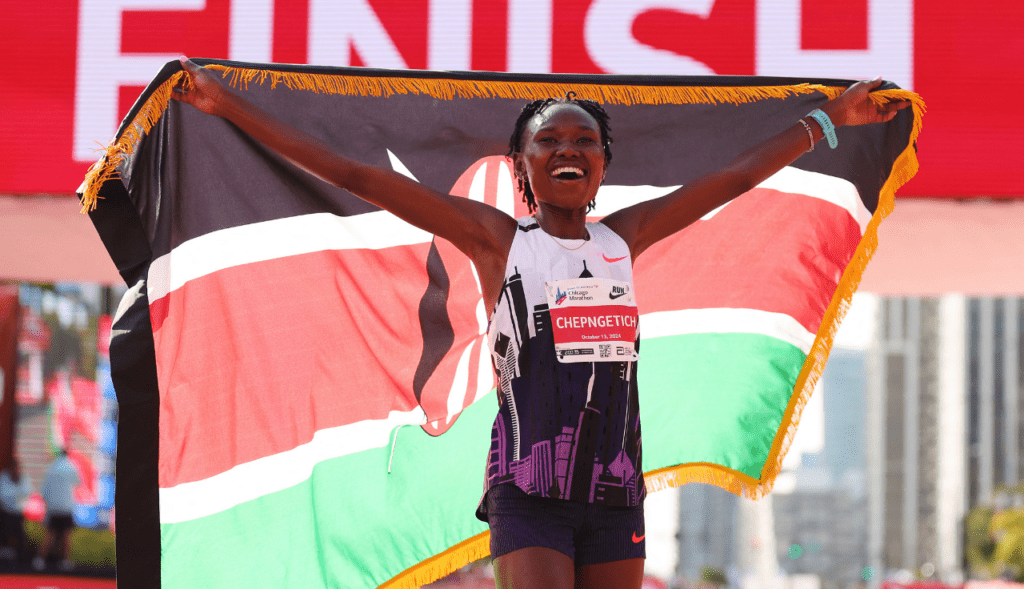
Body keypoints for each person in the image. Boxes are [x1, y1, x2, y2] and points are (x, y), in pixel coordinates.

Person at [172, 57, 907, 589]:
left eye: (584, 141)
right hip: (531, 493)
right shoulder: (500, 241)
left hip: (617, 490)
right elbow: (363, 178)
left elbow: (734, 179)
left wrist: (829, 120)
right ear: (523, 169)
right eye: (549, 141)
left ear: (601, 168)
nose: (568, 150)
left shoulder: (626, 238)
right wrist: (231, 108)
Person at [35, 449, 79, 571]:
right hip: (66, 507)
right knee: (66, 536)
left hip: (53, 507)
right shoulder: (71, 466)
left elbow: (44, 490)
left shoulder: (51, 467)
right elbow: (78, 482)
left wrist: (49, 504)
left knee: (50, 534)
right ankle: (65, 561)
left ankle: (40, 560)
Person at [0, 458, 31, 563]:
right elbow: (3, 496)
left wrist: (14, 494)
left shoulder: (24, 478)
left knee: (21, 537)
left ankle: (21, 560)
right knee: (5, 536)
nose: (16, 471)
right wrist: (18, 494)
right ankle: (5, 561)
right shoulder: (4, 478)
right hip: (6, 513)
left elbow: (27, 492)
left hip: (18, 514)